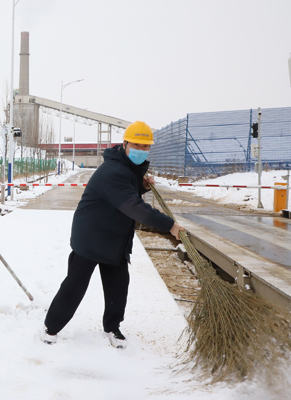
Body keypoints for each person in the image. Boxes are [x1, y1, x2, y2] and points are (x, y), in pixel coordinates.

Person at [42, 121, 185, 348]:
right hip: (90, 237)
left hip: (114, 237)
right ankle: (51, 328)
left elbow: (126, 194)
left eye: (146, 146)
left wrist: (142, 187)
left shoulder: (127, 167)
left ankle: (112, 327)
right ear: (125, 144)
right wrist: (169, 225)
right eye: (137, 145)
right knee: (75, 285)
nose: (141, 150)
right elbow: (133, 206)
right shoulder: (113, 171)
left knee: (118, 286)